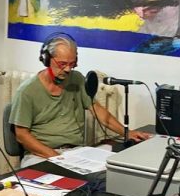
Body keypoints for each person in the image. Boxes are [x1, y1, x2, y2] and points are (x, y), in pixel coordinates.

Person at [9, 33, 151, 166]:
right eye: (62, 64)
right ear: (46, 59)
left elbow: (99, 112)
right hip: (41, 155)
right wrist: (56, 157)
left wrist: (127, 133)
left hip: (75, 152)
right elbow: (21, 135)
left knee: (115, 167)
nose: (67, 69)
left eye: (72, 64)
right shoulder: (27, 91)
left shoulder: (77, 79)